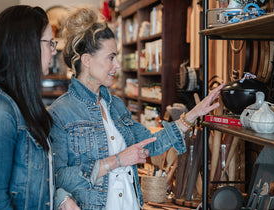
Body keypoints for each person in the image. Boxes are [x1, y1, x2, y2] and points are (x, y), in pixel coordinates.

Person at [48, 7, 225, 210]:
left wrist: (193, 114)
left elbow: (151, 144)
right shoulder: (60, 112)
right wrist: (117, 160)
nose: (116, 65)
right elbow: (57, 177)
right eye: (110, 57)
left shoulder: (115, 105)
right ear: (87, 60)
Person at [0, 5, 78, 210]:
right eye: (49, 43)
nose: (53, 51)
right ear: (26, 45)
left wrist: (60, 198)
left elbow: (37, 180)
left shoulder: (24, 106)